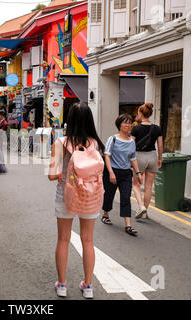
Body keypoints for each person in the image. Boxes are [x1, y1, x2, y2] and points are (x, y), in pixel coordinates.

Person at [48, 102, 105, 299]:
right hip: (90, 196)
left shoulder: (61, 143)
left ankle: (62, 285)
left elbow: (52, 175)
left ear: (69, 120)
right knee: (88, 240)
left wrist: (64, 173)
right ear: (90, 120)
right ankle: (88, 286)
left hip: (66, 197)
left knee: (63, 240)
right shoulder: (96, 144)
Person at [101, 114, 143, 236]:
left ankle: (128, 225)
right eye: (125, 123)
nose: (128, 125)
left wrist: (138, 172)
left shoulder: (131, 141)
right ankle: (105, 214)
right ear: (119, 125)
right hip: (112, 171)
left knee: (125, 198)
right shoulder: (112, 139)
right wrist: (111, 173)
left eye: (130, 123)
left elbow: (133, 158)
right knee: (109, 194)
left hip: (126, 173)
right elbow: (107, 155)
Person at [131, 103, 163, 219]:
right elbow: (160, 145)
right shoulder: (157, 128)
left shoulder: (136, 128)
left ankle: (141, 207)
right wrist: (160, 158)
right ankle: (145, 210)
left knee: (135, 184)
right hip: (152, 156)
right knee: (149, 186)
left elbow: (131, 145)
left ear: (140, 113)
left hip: (139, 156)